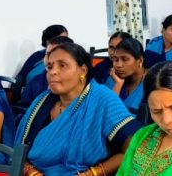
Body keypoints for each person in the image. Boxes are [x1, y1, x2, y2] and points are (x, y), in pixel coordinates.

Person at [16, 43, 140, 175]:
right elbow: (19, 151)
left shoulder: (102, 99)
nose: (52, 72)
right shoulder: (41, 102)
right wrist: (31, 172)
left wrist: (93, 173)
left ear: (83, 70)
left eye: (62, 65)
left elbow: (134, 148)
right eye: (50, 66)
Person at [20, 36, 74, 108]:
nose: (50, 59)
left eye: (55, 55)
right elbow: (23, 108)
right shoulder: (36, 82)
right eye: (47, 54)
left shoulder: (77, 84)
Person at [107, 37, 147, 111]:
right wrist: (118, 85)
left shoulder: (152, 81)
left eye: (125, 59)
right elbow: (105, 111)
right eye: (116, 60)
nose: (118, 65)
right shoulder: (113, 79)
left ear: (140, 60)